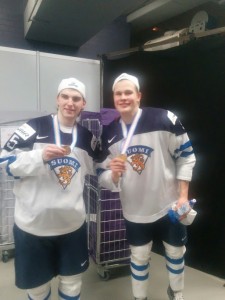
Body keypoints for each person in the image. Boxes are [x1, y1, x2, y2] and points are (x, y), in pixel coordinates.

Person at [97, 73, 196, 300]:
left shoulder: (164, 119)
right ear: (114, 97)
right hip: (135, 210)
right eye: (118, 93)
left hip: (168, 205)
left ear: (138, 96)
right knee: (139, 256)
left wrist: (183, 197)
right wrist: (112, 174)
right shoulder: (110, 133)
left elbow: (187, 156)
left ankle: (177, 293)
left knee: (176, 252)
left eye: (128, 92)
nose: (123, 97)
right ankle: (139, 297)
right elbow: (101, 175)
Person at [0, 77, 99, 300]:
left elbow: (100, 170)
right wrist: (39, 156)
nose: (70, 103)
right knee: (37, 289)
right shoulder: (33, 128)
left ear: (83, 103)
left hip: (72, 227)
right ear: (57, 99)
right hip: (33, 228)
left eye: (76, 98)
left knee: (72, 285)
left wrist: (117, 170)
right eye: (65, 96)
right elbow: (5, 163)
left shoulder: (86, 137)